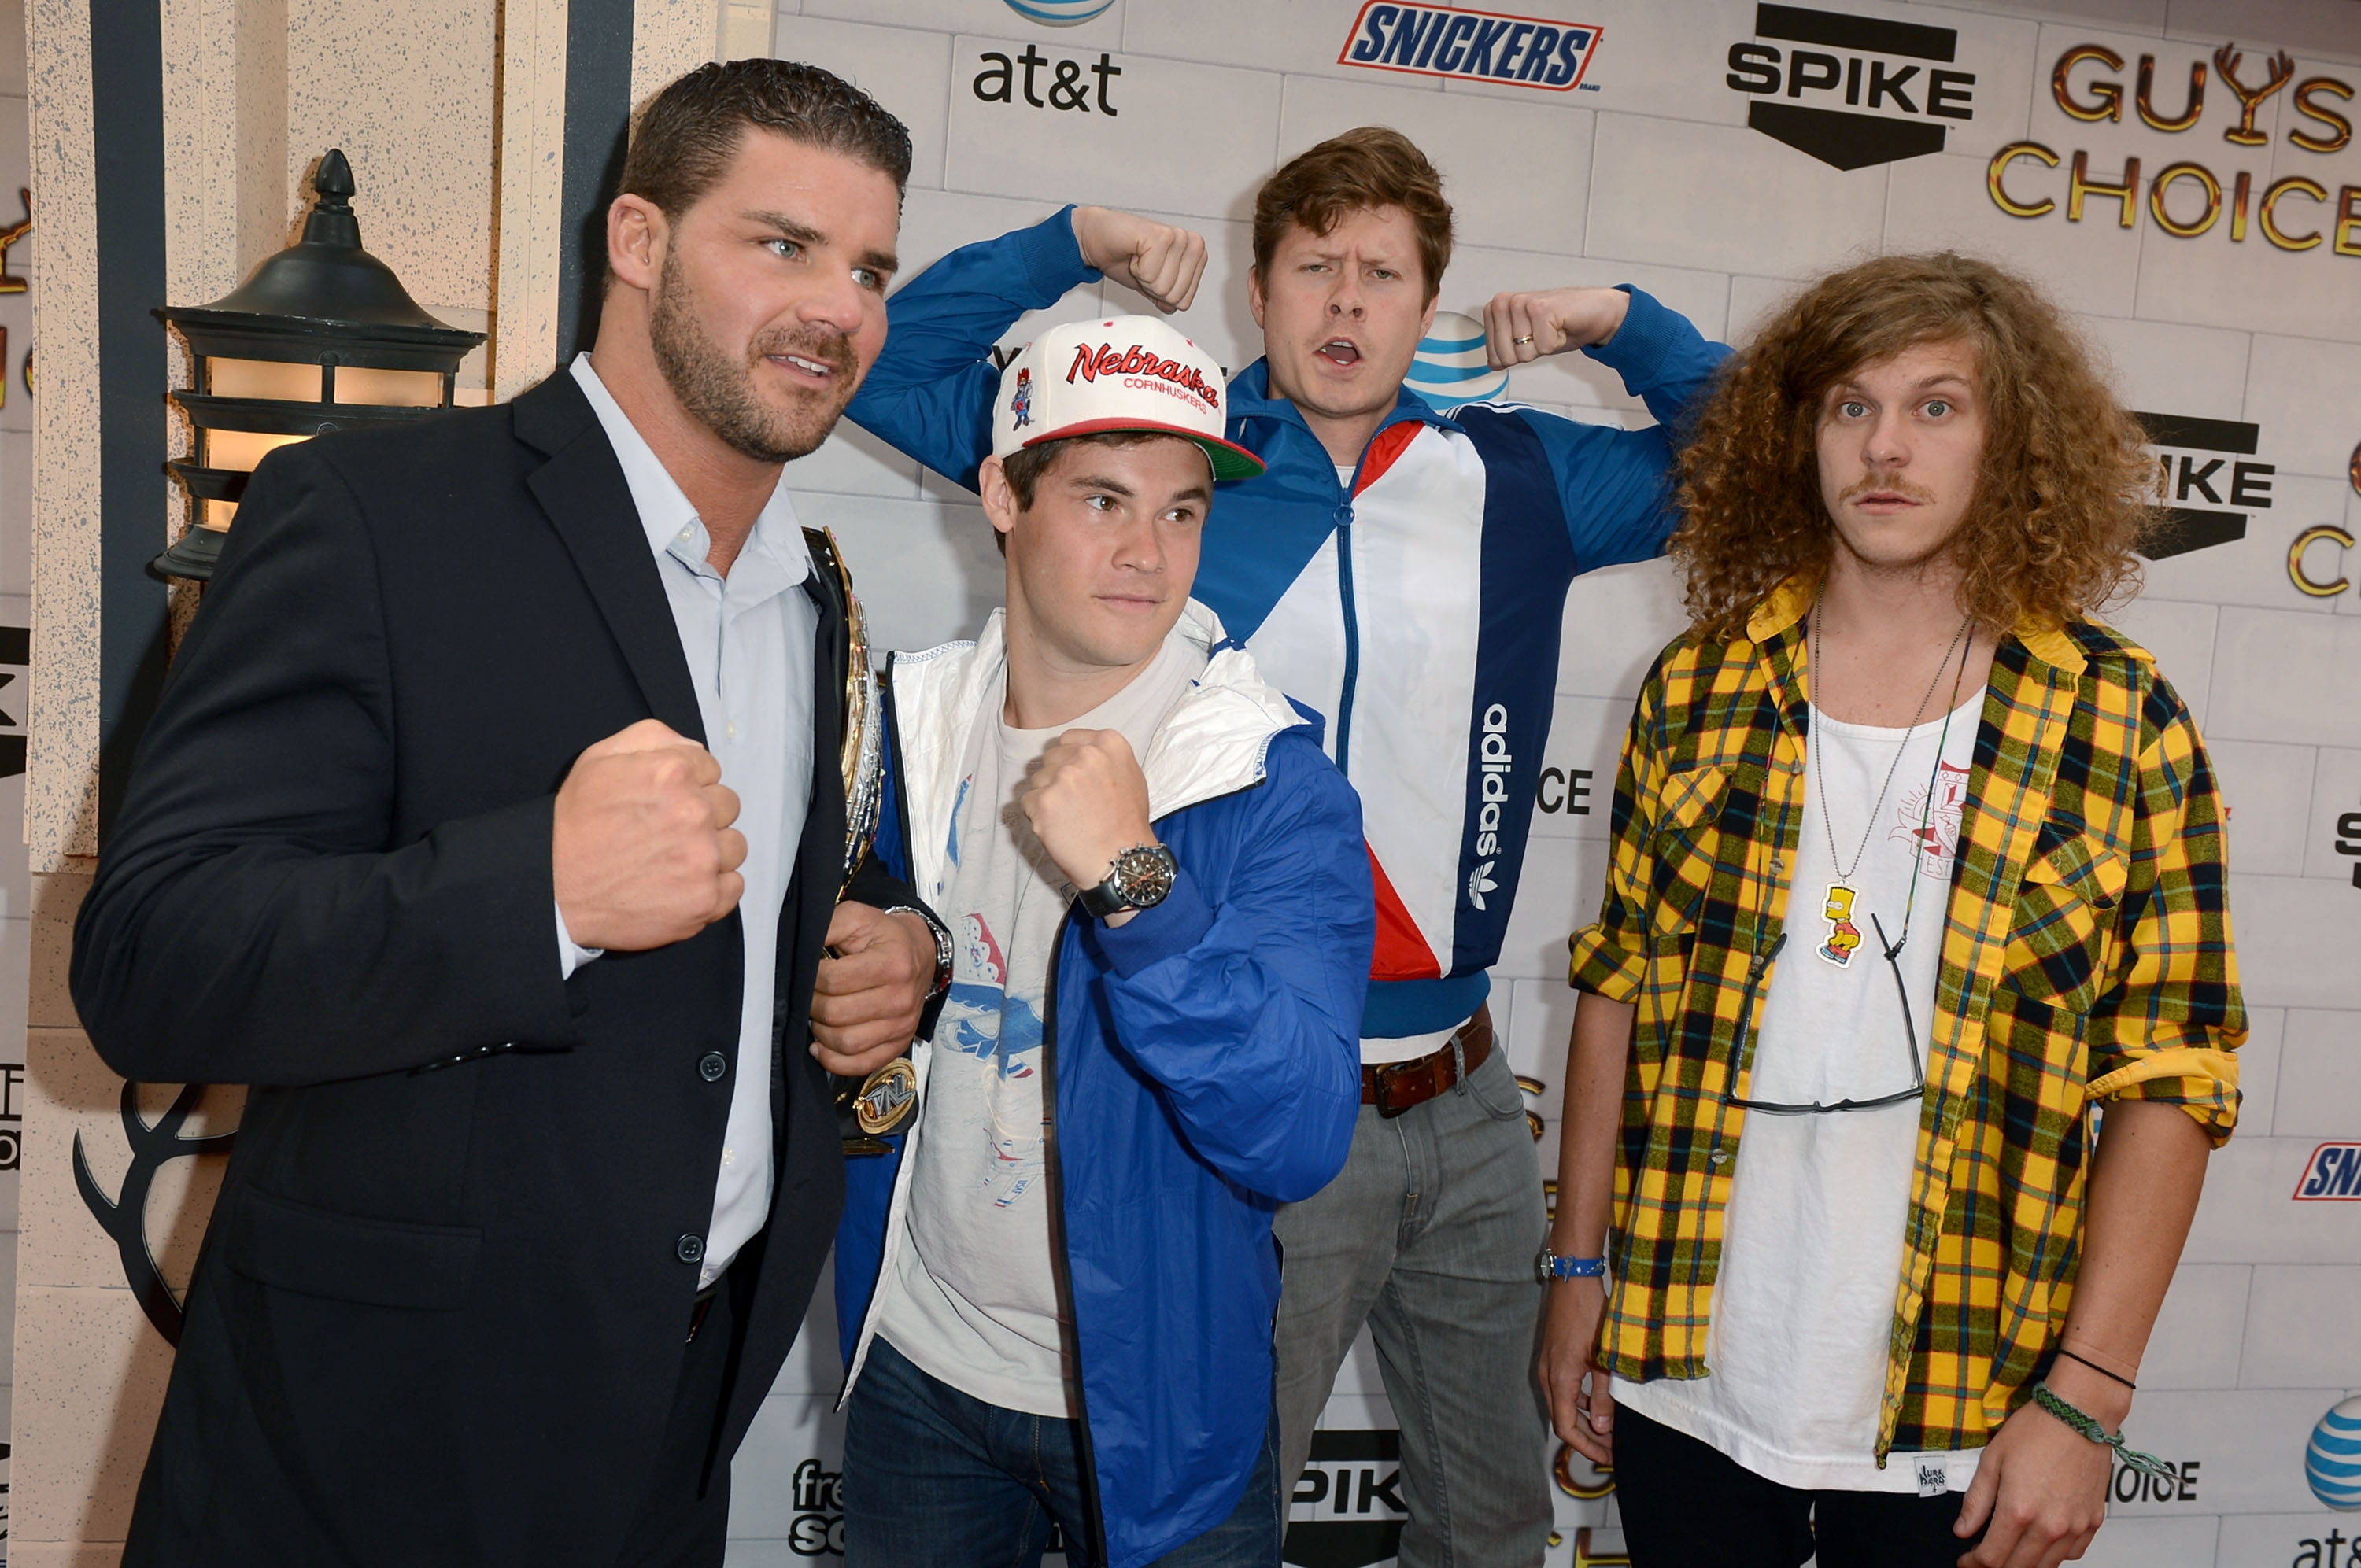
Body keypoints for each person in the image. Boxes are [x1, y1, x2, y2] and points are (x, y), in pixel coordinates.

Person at [70, 60, 949, 1567]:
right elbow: (152, 961)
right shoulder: (370, 511)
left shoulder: (817, 601)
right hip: (373, 1452)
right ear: (638, 241)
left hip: (678, 1435)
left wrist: (899, 948)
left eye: (870, 268)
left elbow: (836, 877)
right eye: (783, 244)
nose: (840, 309)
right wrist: (535, 889)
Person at [844, 127, 1727, 1563]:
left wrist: (1620, 325)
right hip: (1246, 1103)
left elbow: (1769, 456)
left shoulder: (1519, 478)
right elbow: (887, 367)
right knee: (1214, 1511)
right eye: (1315, 268)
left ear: (1428, 299)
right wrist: (1069, 236)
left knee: (1493, 1516)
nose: (1346, 305)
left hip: (1467, 1091)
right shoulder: (1172, 460)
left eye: (1383, 274)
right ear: (1260, 289)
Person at [1539, 253, 2245, 1568]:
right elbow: (1617, 988)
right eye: (1850, 406)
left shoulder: (2119, 715)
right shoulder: (1697, 686)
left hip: (1970, 1407)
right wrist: (1576, 1276)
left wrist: (2088, 1393)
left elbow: (2173, 1072)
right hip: (1684, 1376)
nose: (1885, 447)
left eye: (1937, 406)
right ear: (1799, 437)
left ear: (2011, 438)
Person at [831, 315, 1372, 1568]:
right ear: (1001, 495)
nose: (1148, 554)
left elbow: (1296, 1131)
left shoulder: (1264, 775)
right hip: (916, 1358)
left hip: (1166, 1404)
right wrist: (890, 960)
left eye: (1182, 512)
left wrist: (1139, 884)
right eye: (1104, 500)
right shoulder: (903, 721)